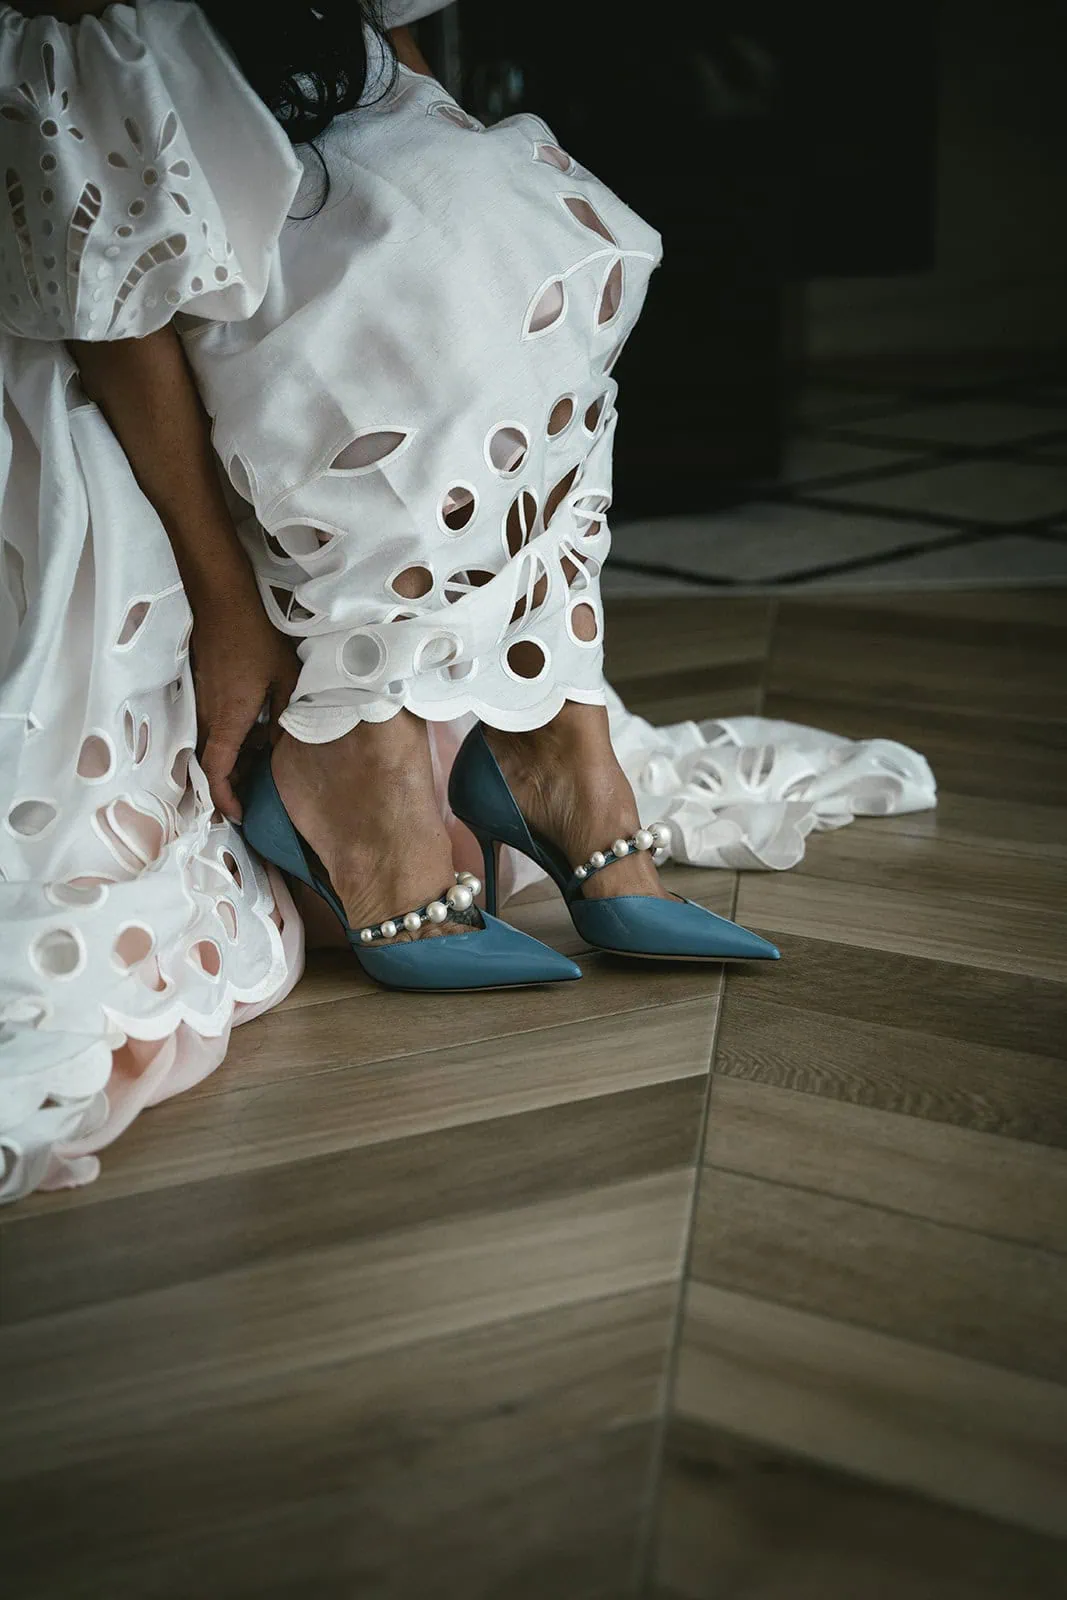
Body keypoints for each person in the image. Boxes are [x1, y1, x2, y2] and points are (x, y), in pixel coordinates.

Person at [0, 0, 935, 1200]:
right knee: (374, 309)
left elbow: (400, 51)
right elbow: (99, 263)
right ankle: (362, 759)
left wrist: (459, 202)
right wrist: (226, 605)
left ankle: (554, 729)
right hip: (151, 217)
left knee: (513, 237)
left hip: (318, 133)